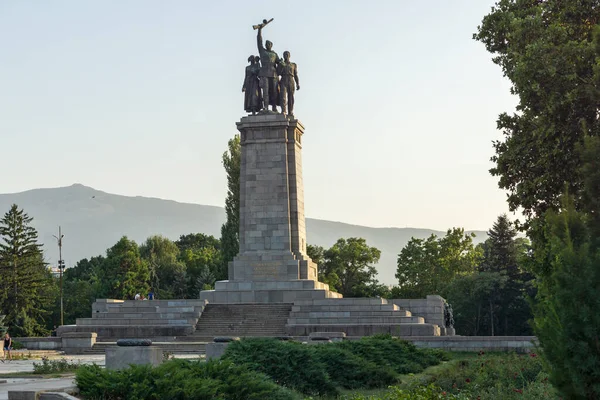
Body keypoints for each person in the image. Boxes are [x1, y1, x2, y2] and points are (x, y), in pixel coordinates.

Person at [257, 26, 280, 112]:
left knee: (274, 91)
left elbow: (279, 62)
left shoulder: (274, 54)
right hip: (264, 73)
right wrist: (259, 30)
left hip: (273, 74)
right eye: (267, 44)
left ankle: (274, 107)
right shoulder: (262, 51)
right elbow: (259, 41)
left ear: (271, 45)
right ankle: (266, 107)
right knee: (265, 91)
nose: (268, 45)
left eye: (269, 44)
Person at [278, 51, 300, 117]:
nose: (286, 55)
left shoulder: (293, 65)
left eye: (287, 54)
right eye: (285, 54)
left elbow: (295, 75)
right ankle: (283, 111)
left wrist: (297, 83)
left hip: (291, 79)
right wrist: (281, 66)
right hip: (283, 79)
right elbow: (278, 72)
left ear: (289, 56)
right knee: (283, 96)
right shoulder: (281, 63)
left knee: (291, 97)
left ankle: (290, 112)